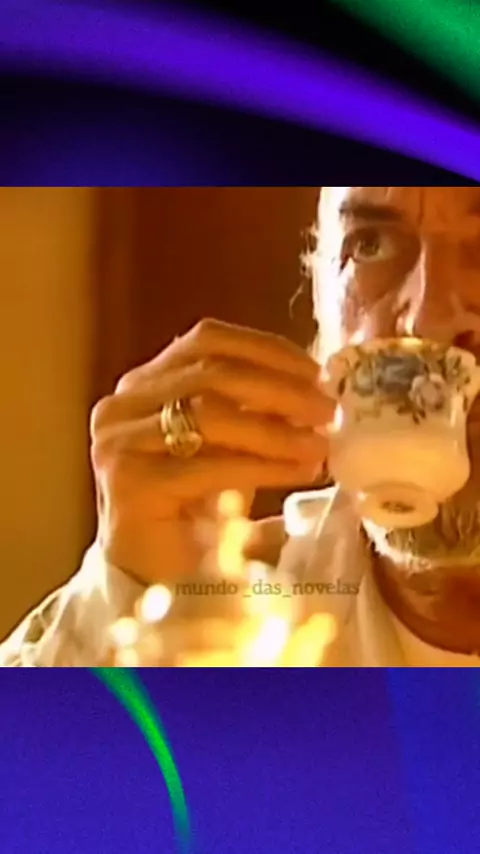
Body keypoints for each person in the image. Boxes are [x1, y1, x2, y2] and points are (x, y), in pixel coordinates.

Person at [3, 185, 480, 667]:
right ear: (320, 314)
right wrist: (126, 601)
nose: (428, 321)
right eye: (370, 244)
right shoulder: (240, 623)